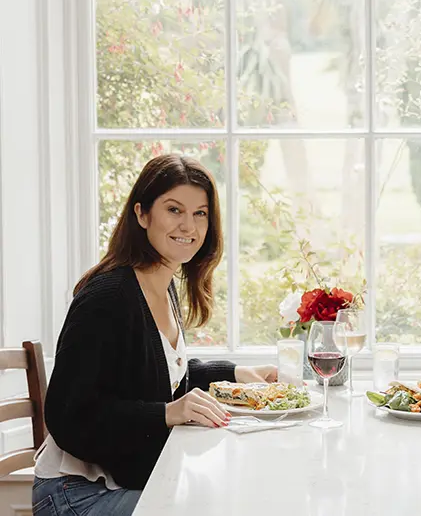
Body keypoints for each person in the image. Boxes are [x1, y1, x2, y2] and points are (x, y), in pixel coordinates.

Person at [31, 155, 277, 516]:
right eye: (174, 209)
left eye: (201, 213)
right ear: (142, 214)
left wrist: (237, 375)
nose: (188, 225)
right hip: (77, 493)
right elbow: (68, 416)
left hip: (125, 480)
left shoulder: (162, 286)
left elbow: (160, 376)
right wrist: (166, 414)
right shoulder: (109, 297)